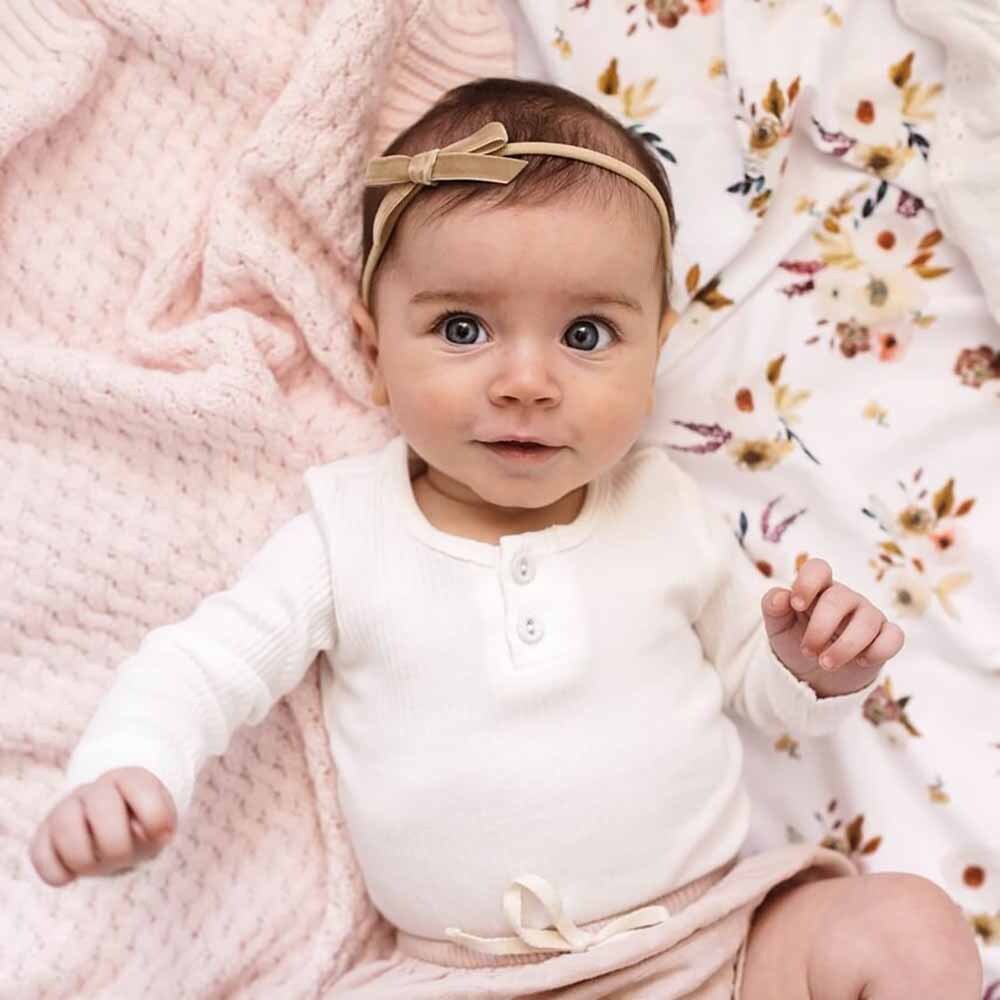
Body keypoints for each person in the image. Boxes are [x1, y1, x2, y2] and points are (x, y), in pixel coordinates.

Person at [30, 79, 982, 999]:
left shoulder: (664, 507)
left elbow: (772, 702)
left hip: (711, 946)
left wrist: (811, 665)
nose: (526, 380)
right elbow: (204, 664)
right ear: (372, 354)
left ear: (654, 355)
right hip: (465, 977)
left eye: (585, 335)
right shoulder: (346, 532)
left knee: (903, 927)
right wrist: (128, 765)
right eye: (460, 326)